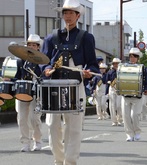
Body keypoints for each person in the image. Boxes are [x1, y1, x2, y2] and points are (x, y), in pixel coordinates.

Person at [41, 0, 99, 164]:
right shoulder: (52, 37)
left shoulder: (86, 37)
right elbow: (44, 60)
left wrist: (89, 73)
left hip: (75, 83)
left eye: (71, 13)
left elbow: (93, 63)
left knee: (73, 127)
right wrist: (46, 69)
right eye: (65, 13)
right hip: (54, 83)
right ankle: (59, 160)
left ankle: (70, 161)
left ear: (78, 16)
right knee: (52, 125)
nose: (67, 16)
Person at [7, 34, 43, 152]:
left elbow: (43, 77)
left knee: (34, 118)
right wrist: (10, 79)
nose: (31, 47)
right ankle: (25, 143)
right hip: (22, 91)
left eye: (34, 45)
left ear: (38, 47)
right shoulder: (21, 60)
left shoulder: (42, 61)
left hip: (36, 92)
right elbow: (16, 76)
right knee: (22, 118)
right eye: (29, 44)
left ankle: (37, 141)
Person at [121, 48, 147, 141]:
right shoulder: (124, 67)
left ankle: (137, 132)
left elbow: (145, 80)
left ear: (138, 58)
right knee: (126, 115)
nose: (132, 58)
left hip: (137, 95)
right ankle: (129, 134)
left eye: (134, 57)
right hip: (126, 95)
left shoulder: (142, 67)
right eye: (131, 56)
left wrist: (145, 89)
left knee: (134, 115)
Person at [105, 58, 123, 126]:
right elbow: (107, 82)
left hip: (119, 88)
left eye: (117, 63)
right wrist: (106, 92)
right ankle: (114, 120)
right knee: (112, 105)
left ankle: (119, 119)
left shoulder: (121, 72)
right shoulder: (110, 72)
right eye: (114, 63)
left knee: (119, 105)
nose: (116, 65)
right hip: (112, 88)